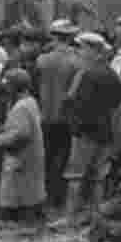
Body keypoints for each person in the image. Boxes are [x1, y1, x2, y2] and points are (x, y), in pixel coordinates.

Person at [53, 32, 121, 229]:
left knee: (76, 176)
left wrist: (73, 123)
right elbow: (118, 104)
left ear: (92, 50)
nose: (79, 52)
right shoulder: (111, 73)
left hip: (84, 132)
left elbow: (72, 100)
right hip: (105, 132)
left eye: (82, 48)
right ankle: (96, 217)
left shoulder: (85, 73)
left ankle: (70, 217)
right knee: (98, 177)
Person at [36, 19, 83, 207]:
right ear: (71, 37)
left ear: (54, 37)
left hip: (45, 115)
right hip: (67, 117)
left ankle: (45, 194)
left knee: (46, 156)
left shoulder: (42, 60)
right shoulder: (76, 61)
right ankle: (59, 197)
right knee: (64, 158)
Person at [0, 68, 46, 224]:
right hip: (31, 154)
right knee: (30, 190)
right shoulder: (30, 101)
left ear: (15, 87)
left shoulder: (21, 107)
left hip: (21, 156)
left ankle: (15, 220)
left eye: (8, 86)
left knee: (17, 191)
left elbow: (21, 134)